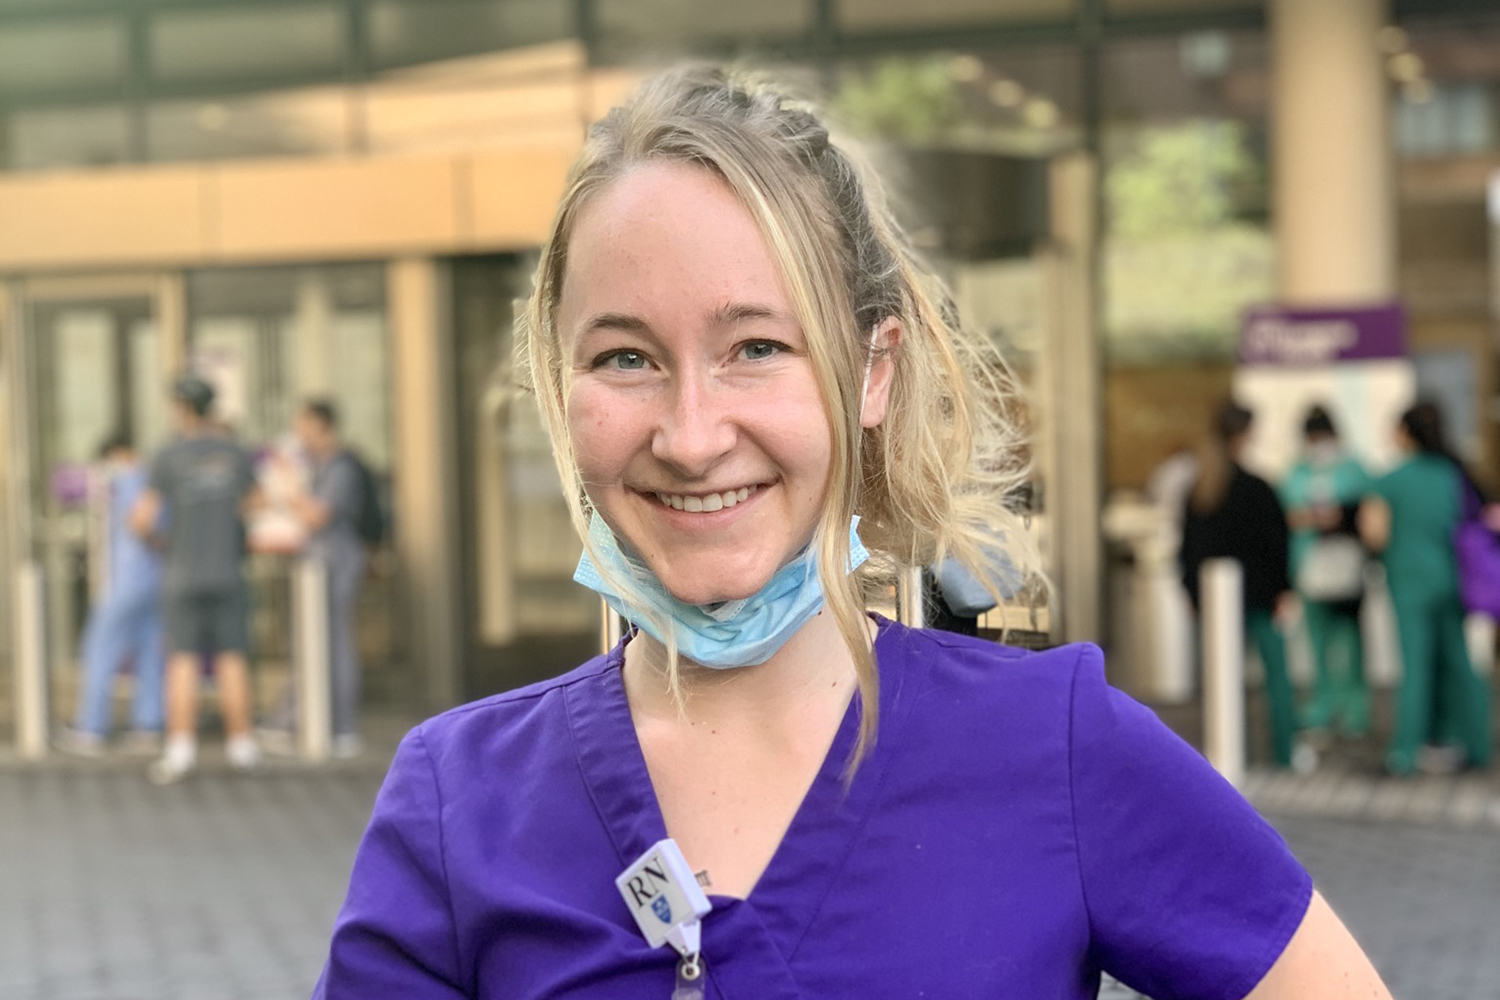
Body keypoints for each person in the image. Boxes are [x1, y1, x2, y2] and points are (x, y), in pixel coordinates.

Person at [314, 67, 1390, 999]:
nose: (692, 438)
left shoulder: (1056, 751)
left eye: (759, 348)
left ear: (872, 372)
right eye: (626, 359)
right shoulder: (461, 799)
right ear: (561, 384)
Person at [132, 374, 263, 785]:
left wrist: (159, 541)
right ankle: (242, 747)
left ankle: (181, 750)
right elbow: (256, 502)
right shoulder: (234, 452)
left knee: (183, 661)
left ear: (183, 408)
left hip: (183, 573)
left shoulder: (169, 455)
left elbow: (142, 518)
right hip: (227, 571)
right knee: (232, 658)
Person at [1360, 401, 1492, 776]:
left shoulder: (1391, 478)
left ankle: (1404, 752)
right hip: (1451, 578)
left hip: (1409, 582)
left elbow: (1374, 534)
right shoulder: (1454, 473)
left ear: (1406, 432)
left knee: (1415, 667)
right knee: (1461, 665)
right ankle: (1479, 745)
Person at [1180, 401, 1304, 771]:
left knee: (1222, 681)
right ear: (1245, 434)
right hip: (1263, 598)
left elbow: (1189, 549)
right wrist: (1284, 589)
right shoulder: (1259, 488)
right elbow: (1278, 545)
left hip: (1216, 603)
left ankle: (1229, 752)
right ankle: (1284, 753)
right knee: (1277, 678)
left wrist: (1191, 592)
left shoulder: (1200, 490)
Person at [267, 399, 369, 757]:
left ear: (320, 425)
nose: (298, 433)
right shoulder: (320, 465)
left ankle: (340, 727)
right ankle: (299, 719)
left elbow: (317, 516)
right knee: (313, 640)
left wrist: (288, 490)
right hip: (319, 562)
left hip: (336, 562)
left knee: (334, 641)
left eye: (303, 425)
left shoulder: (341, 466)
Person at [55, 435, 166, 756]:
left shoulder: (127, 482)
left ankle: (92, 727)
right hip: (154, 581)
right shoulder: (154, 481)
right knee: (149, 652)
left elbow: (139, 525)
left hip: (124, 583)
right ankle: (148, 725)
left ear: (119, 454)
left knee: (99, 649)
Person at [1280, 406, 1372, 737]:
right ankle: (1322, 707)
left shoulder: (1353, 469)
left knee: (1350, 644)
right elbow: (1285, 511)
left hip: (1347, 569)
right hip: (1308, 567)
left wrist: (1339, 516)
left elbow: (1367, 511)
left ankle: (1354, 711)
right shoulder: (1296, 472)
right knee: (1315, 643)